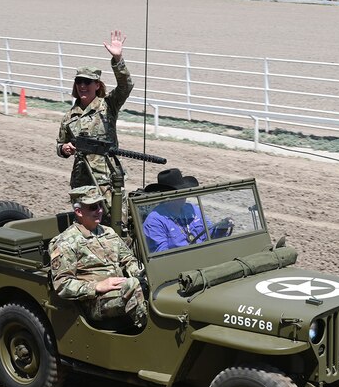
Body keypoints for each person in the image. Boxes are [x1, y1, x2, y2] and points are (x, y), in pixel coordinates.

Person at [50, 186, 147, 329]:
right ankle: (147, 329)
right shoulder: (66, 242)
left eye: (101, 205)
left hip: (120, 290)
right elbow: (62, 285)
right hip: (93, 302)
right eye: (93, 207)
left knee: (147, 283)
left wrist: (141, 275)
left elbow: (128, 259)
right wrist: (97, 286)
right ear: (78, 211)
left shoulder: (108, 232)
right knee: (133, 286)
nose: (100, 210)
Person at [56, 30, 134, 201]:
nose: (82, 86)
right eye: (79, 82)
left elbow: (125, 87)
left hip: (107, 179)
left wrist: (118, 59)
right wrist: (64, 149)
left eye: (87, 82)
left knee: (113, 223)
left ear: (97, 85)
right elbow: (60, 145)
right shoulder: (69, 117)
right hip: (82, 182)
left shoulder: (108, 105)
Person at [142, 168, 232, 253]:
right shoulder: (155, 221)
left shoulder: (193, 209)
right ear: (167, 196)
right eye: (178, 193)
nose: (184, 196)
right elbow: (161, 256)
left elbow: (211, 235)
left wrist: (222, 227)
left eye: (184, 192)